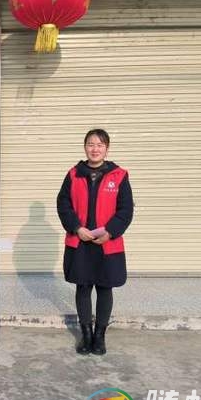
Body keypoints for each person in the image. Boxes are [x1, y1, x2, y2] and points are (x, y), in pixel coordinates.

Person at [56, 129, 134, 355]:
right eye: (91, 144)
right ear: (85, 147)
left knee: (104, 287)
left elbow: (126, 210)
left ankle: (100, 336)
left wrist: (110, 232)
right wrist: (76, 228)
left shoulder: (119, 175)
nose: (95, 149)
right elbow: (63, 204)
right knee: (83, 287)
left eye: (100, 145)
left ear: (106, 148)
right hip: (80, 242)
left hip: (107, 243)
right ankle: (86, 334)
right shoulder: (73, 174)